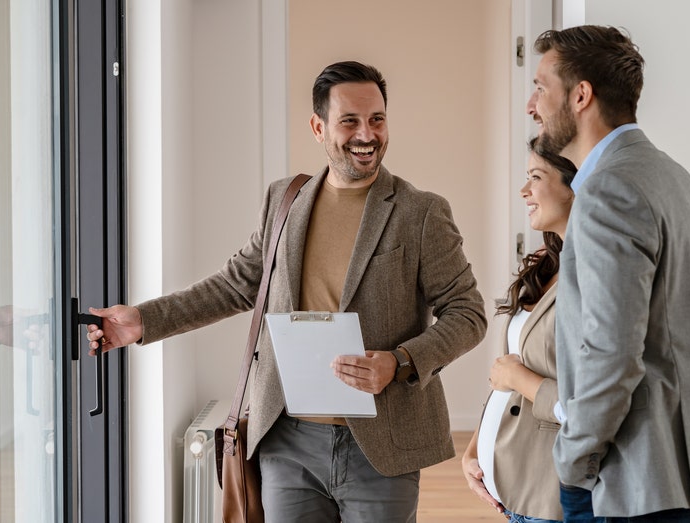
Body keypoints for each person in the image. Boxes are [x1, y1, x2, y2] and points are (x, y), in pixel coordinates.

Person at [85, 61, 488, 522]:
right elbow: (237, 284)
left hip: (382, 442)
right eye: (350, 121)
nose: (367, 134)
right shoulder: (285, 200)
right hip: (287, 440)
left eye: (377, 119)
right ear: (318, 127)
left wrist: (399, 362)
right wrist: (144, 319)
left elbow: (467, 313)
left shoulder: (420, 212)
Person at [526, 25, 690, 521]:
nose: (532, 105)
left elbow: (611, 352)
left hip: (630, 476)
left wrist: (574, 460)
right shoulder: (675, 178)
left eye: (540, 88)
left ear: (580, 95)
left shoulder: (608, 191)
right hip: (683, 470)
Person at [462, 137, 575, 523]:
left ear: (574, 186)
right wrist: (475, 449)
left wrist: (517, 376)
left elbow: (590, 408)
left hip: (549, 494)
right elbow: (504, 373)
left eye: (536, 177)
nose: (524, 190)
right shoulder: (547, 262)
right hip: (509, 487)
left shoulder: (594, 275)